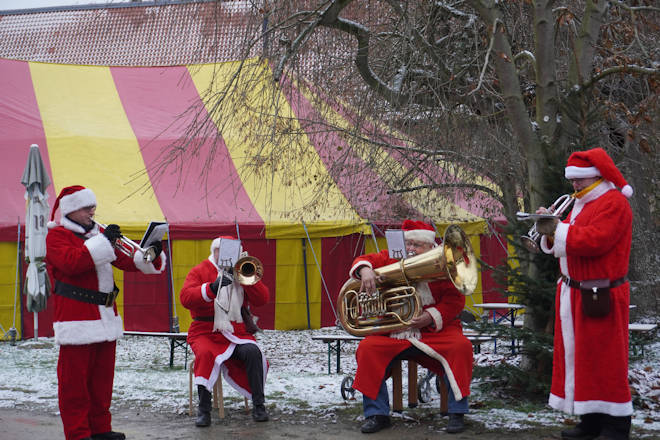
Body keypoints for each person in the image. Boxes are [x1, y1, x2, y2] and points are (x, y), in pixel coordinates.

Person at [45, 185, 167, 440]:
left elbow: (125, 261)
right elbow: (72, 263)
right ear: (70, 209)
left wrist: (149, 254)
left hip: (105, 318)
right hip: (76, 319)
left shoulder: (96, 233)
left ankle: (99, 429)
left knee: (101, 383)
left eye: (92, 206)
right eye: (86, 207)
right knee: (74, 385)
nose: (93, 210)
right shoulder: (56, 236)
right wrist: (103, 241)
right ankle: (78, 433)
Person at [535, 148, 634, 440]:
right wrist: (550, 230)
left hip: (602, 293)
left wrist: (558, 228)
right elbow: (567, 241)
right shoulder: (582, 202)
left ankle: (617, 424)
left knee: (607, 360)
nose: (574, 185)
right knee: (582, 359)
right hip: (576, 291)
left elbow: (596, 241)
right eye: (573, 181)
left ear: (597, 176)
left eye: (580, 180)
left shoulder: (614, 203)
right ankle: (590, 419)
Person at [348, 220, 473, 434]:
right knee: (368, 349)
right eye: (410, 244)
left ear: (429, 246)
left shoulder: (443, 263)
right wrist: (366, 270)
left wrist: (431, 316)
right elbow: (363, 259)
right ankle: (377, 414)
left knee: (461, 347)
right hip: (394, 331)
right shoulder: (390, 257)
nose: (413, 249)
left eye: (418, 245)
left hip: (434, 331)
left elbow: (455, 301)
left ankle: (457, 412)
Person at [180, 236, 270, 427]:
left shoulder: (241, 270)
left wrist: (247, 280)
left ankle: (259, 405)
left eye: (231, 251)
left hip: (236, 331)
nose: (226, 255)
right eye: (221, 250)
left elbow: (263, 299)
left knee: (253, 352)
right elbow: (186, 298)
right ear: (214, 251)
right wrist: (212, 288)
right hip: (205, 330)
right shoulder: (200, 270)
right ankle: (204, 411)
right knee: (205, 354)